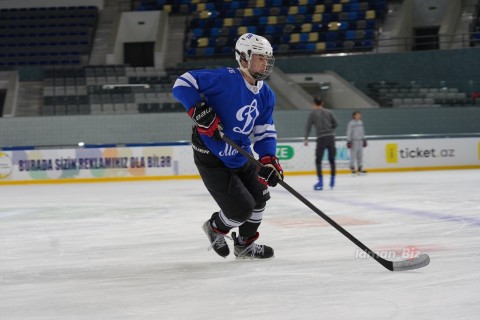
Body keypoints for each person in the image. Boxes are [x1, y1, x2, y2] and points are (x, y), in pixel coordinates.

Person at [172, 33, 283, 260]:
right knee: (240, 210)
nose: (265, 63)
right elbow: (182, 83)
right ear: (244, 58)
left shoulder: (266, 94)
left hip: (241, 153)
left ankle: (244, 246)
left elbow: (264, 129)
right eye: (260, 58)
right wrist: (198, 109)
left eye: (267, 58)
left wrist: (269, 158)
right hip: (211, 154)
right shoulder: (226, 78)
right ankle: (215, 227)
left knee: (260, 198)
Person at [303, 97, 338, 190]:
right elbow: (336, 123)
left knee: (318, 160)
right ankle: (332, 180)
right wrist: (330, 129)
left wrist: (306, 138)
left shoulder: (312, 113)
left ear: (314, 103)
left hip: (321, 138)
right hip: (331, 137)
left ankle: (320, 182)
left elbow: (308, 127)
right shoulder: (329, 112)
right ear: (322, 102)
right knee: (332, 160)